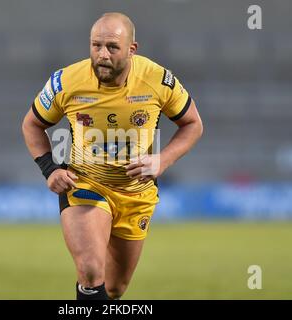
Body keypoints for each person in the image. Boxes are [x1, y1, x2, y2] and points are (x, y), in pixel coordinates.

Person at [22, 12, 203, 300]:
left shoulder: (158, 79)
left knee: (114, 288)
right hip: (85, 184)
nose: (102, 55)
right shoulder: (66, 81)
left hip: (136, 194)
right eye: (96, 46)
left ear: (132, 49)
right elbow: (32, 123)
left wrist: (162, 160)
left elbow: (193, 124)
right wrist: (50, 169)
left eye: (112, 47)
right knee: (92, 270)